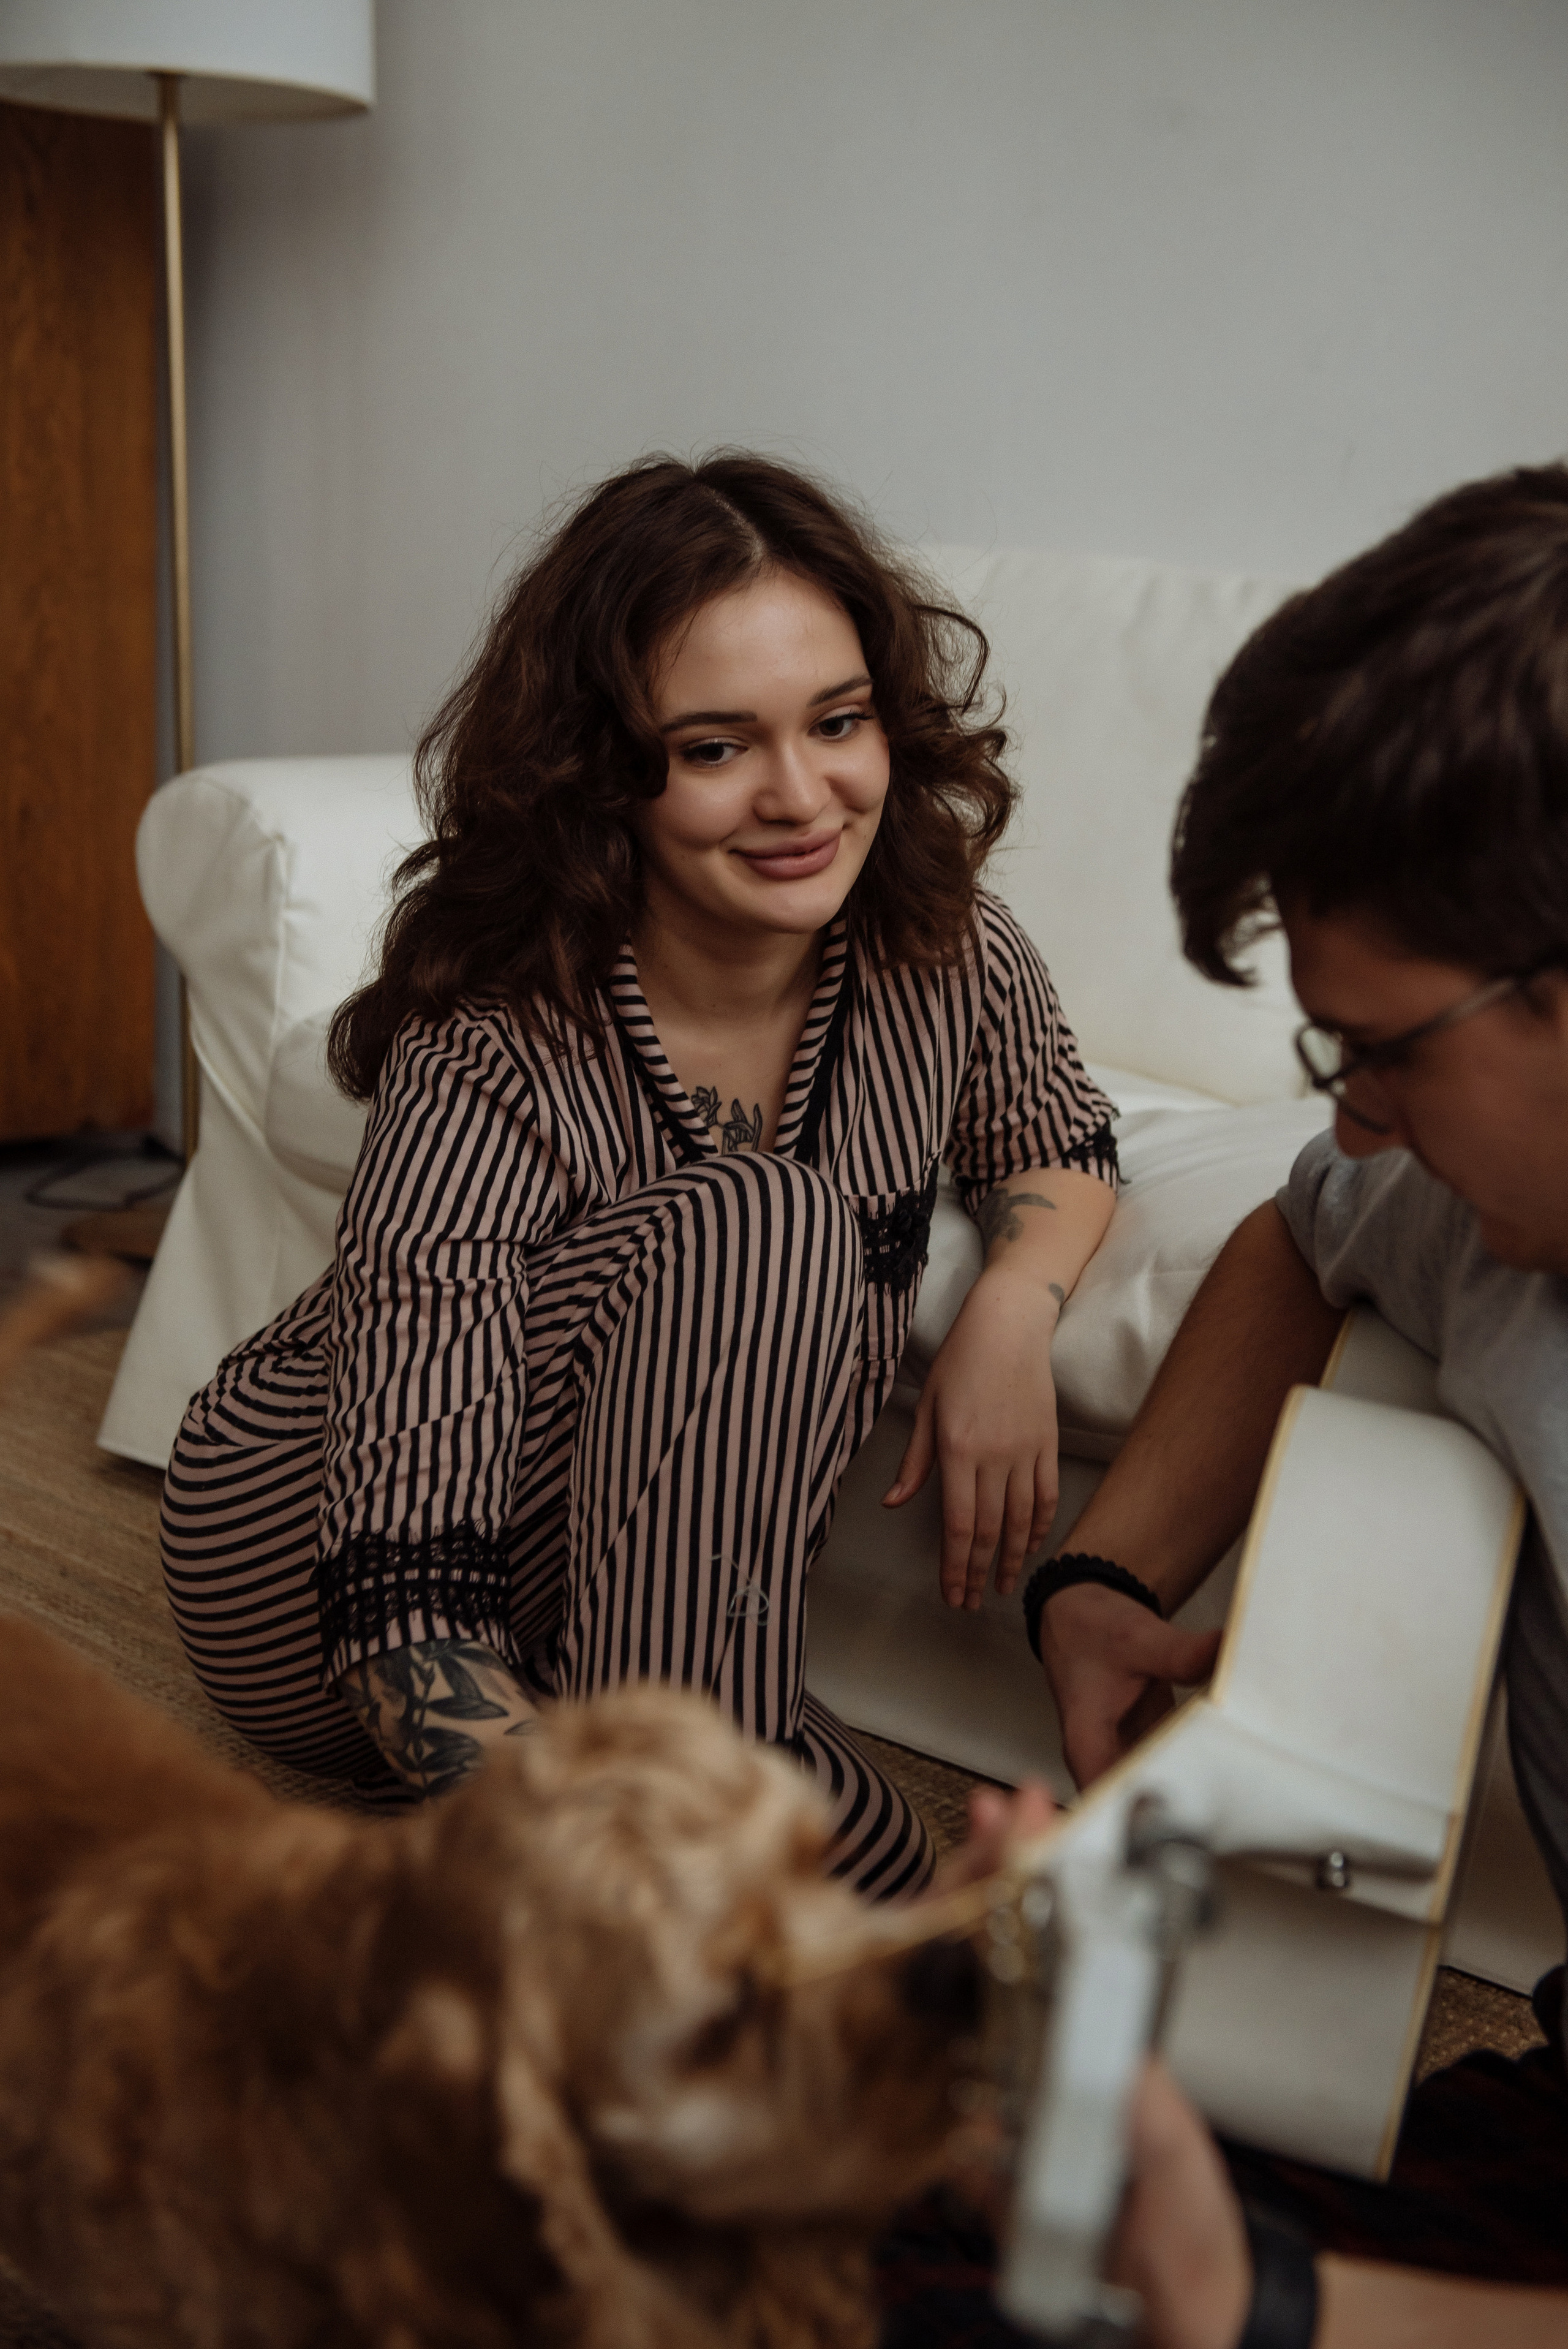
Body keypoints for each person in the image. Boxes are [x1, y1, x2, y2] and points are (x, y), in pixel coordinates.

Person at [159, 452, 1118, 1897]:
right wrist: (612, 1887)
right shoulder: (493, 1046)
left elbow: (1054, 1134)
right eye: (716, 747)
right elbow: (404, 1583)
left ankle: (688, 1789)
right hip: (323, 1577)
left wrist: (1013, 1308)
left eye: (838, 722)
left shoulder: (940, 948)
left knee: (894, 1887)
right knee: (766, 1220)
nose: (802, 797)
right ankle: (669, 1826)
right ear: (604, 773)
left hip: (636, 1631)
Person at [1019, 464, 1568, 2340]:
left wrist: (1250, 2300)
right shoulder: (1480, 1219)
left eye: (1388, 1050)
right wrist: (1100, 1574)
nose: (1353, 1116)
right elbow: (1295, 1234)